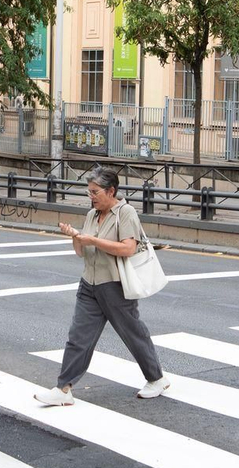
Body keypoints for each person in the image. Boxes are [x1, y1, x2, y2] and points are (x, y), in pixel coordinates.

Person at [36, 167, 170, 406]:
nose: (92, 197)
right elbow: (82, 252)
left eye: (96, 192)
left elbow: (128, 248)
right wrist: (76, 237)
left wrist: (93, 240)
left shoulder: (125, 213)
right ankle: (63, 389)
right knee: (78, 337)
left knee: (133, 335)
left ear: (111, 191)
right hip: (89, 284)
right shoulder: (91, 215)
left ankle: (156, 379)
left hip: (115, 287)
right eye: (89, 192)